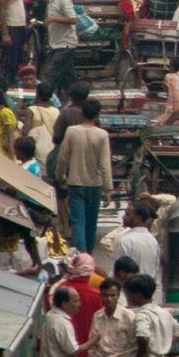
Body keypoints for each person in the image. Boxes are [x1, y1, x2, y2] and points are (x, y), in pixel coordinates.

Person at [54, 98, 112, 257]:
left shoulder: (72, 131)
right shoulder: (102, 135)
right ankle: (89, 256)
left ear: (82, 113)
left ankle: (81, 256)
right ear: (97, 115)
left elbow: (62, 158)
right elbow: (105, 164)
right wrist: (108, 189)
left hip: (75, 183)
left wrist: (60, 176)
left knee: (78, 221)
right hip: (95, 184)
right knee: (91, 223)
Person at [119, 200, 162, 283]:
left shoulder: (125, 240)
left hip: (131, 288)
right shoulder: (152, 240)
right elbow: (156, 268)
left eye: (127, 214)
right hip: (148, 288)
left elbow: (119, 271)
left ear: (138, 218)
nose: (123, 217)